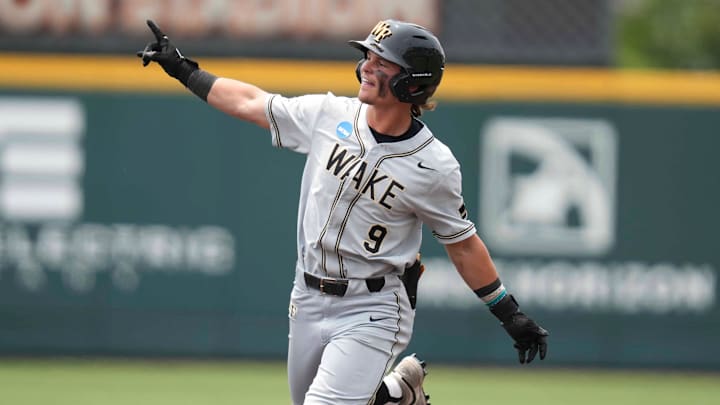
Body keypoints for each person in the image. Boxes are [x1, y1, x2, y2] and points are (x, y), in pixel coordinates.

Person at [138, 18, 548, 405]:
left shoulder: (434, 167)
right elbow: (251, 102)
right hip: (307, 292)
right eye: (367, 57)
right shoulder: (330, 115)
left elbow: (462, 245)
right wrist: (183, 70)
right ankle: (395, 394)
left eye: (382, 61)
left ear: (411, 81)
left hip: (373, 304)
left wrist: (507, 312)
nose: (366, 67)